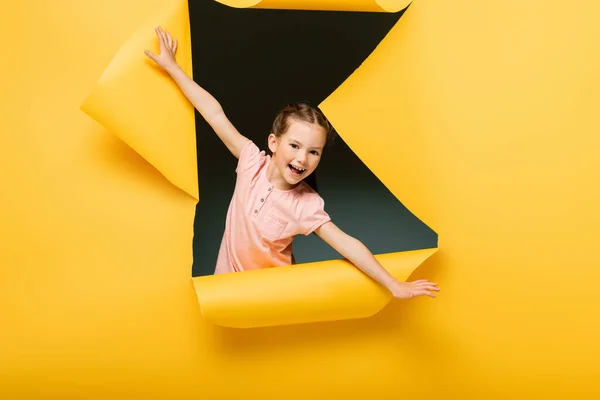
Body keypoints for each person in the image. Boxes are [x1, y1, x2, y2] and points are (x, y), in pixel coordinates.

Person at [145, 27, 440, 300]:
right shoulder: (251, 163)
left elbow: (347, 244)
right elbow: (214, 113)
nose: (302, 158)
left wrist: (393, 285)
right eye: (295, 146)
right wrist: (172, 67)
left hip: (275, 297)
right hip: (229, 291)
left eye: (314, 152)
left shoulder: (306, 205)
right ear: (274, 143)